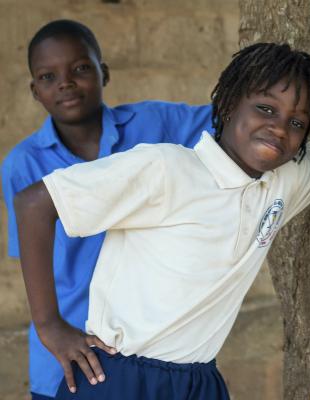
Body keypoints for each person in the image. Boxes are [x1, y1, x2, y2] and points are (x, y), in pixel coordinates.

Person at [14, 42, 310, 399]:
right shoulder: (166, 168)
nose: (279, 128)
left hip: (199, 382)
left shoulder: (283, 184)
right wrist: (49, 325)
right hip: (120, 377)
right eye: (265, 108)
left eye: (296, 122)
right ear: (227, 103)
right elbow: (34, 203)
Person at [1, 19, 213, 400]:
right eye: (48, 77)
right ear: (34, 91)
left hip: (146, 349)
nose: (65, 83)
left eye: (80, 68)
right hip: (67, 351)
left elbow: (237, 117)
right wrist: (50, 327)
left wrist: (306, 93)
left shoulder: (154, 124)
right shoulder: (23, 163)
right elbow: (33, 259)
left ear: (104, 72)